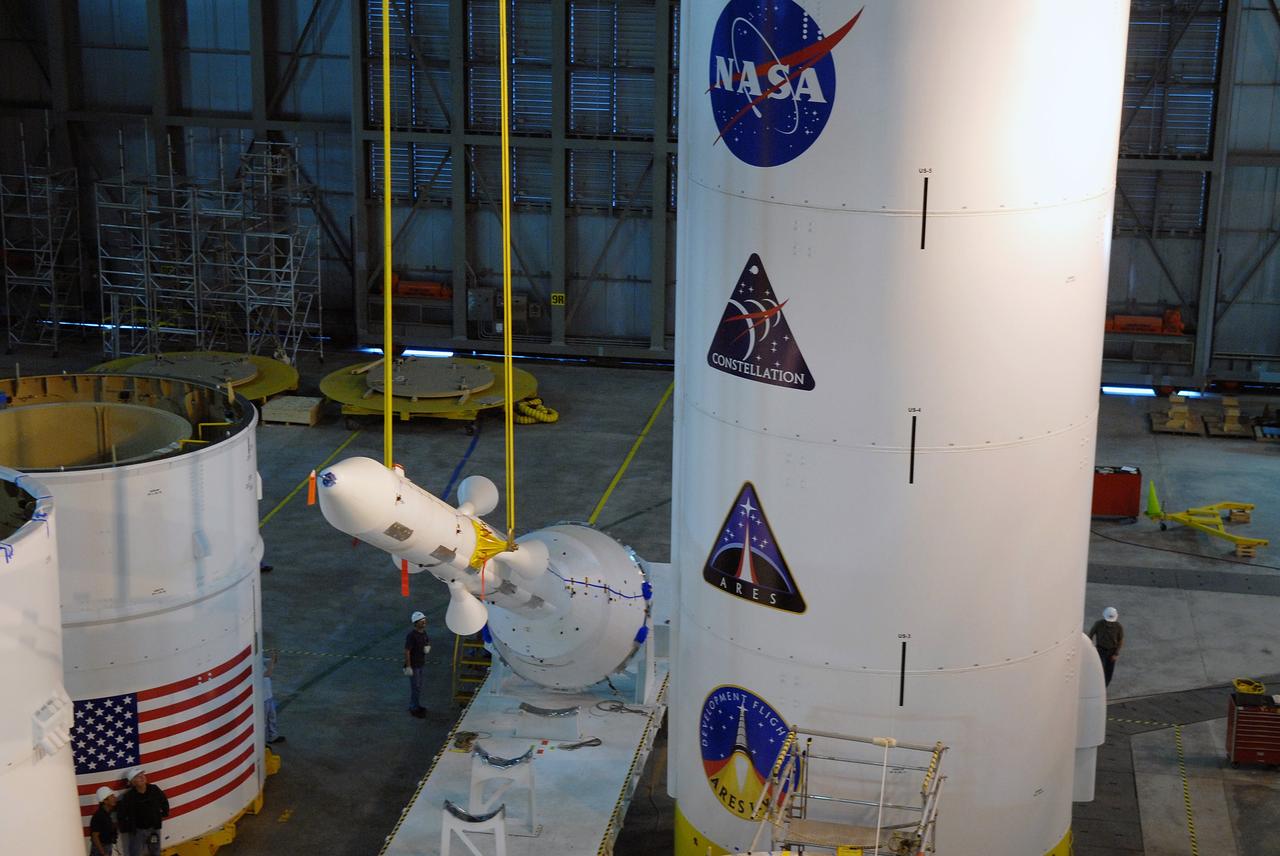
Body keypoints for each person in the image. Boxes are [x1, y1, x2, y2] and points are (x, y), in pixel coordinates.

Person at [117, 767, 169, 856]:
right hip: (138, 831)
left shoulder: (154, 789)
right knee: (135, 852)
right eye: (137, 776)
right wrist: (127, 828)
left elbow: (164, 801)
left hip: (154, 829)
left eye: (142, 775)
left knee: (155, 850)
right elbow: (121, 815)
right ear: (132, 782)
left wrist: (163, 814)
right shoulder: (128, 797)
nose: (142, 777)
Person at [404, 610, 432, 718]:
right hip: (414, 665)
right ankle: (413, 707)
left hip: (420, 664)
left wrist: (427, 646)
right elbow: (407, 651)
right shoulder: (412, 636)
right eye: (421, 620)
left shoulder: (423, 633)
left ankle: (416, 705)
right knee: (415, 687)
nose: (424, 622)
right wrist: (408, 666)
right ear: (416, 623)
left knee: (418, 687)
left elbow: (427, 641)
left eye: (424, 620)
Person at [1088, 606, 1124, 687]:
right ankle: (1097, 686)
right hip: (1101, 650)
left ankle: (1104, 687)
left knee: (1109, 672)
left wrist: (1116, 654)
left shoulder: (1119, 627)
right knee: (1099, 670)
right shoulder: (1098, 624)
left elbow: (1120, 640)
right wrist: (1090, 648)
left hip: (1112, 652)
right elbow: (1090, 635)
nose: (1109, 623)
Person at [264, 648, 285, 744]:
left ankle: (273, 736)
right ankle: (262, 741)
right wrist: (272, 660)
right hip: (263, 698)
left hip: (268, 696)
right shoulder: (255, 667)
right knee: (263, 721)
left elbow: (272, 661)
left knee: (272, 717)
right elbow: (268, 674)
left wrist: (274, 657)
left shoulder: (260, 661)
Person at [90, 786, 118, 856]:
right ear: (105, 801)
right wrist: (103, 852)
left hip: (107, 847)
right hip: (100, 850)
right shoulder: (99, 816)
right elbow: (95, 837)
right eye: (111, 796)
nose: (115, 798)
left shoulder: (108, 814)